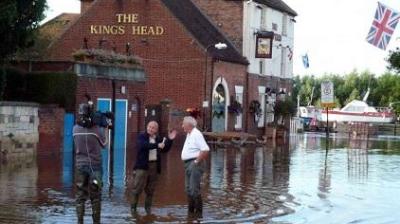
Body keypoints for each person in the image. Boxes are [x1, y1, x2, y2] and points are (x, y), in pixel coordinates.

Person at [73, 103, 108, 224]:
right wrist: (106, 127)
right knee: (96, 196)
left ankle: (79, 221)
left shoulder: (75, 129)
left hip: (80, 167)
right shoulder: (96, 130)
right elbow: (104, 144)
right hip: (95, 168)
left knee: (80, 195)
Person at [131, 121, 177, 214]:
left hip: (154, 166)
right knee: (137, 188)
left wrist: (170, 140)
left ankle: (148, 210)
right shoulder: (142, 136)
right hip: (142, 166)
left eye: (153, 128)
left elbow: (164, 149)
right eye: (149, 127)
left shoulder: (158, 138)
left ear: (156, 130)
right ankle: (133, 210)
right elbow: (143, 146)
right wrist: (157, 145)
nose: (150, 129)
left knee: (150, 189)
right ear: (147, 127)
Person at [181, 116, 210, 216]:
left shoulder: (196, 134)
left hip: (195, 164)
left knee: (194, 189)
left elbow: (205, 149)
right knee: (188, 189)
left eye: (183, 124)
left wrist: (196, 162)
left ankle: (198, 215)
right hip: (188, 163)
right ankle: (190, 213)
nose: (182, 126)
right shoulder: (190, 134)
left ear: (189, 125)